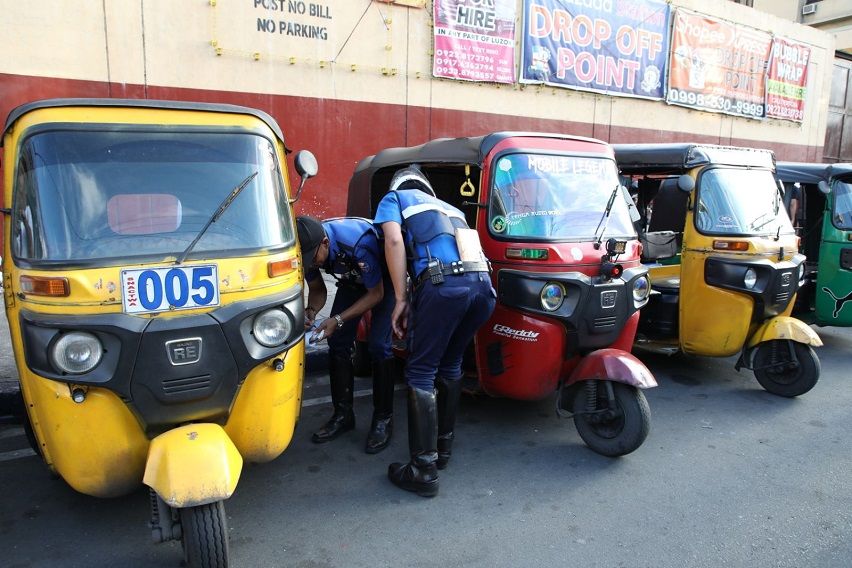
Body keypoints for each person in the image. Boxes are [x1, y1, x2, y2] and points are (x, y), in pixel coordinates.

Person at [375, 165, 496, 497]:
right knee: (451, 364)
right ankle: (442, 450)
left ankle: (423, 470)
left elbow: (394, 240)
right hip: (483, 287)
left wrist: (401, 298)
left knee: (420, 371)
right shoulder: (452, 209)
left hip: (444, 284)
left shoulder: (394, 198)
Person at [296, 215, 397, 454]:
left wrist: (338, 319)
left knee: (379, 346)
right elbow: (319, 289)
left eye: (313, 259)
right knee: (338, 343)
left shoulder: (357, 243)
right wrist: (311, 311)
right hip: (352, 282)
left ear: (325, 243)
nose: (311, 265)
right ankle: (343, 415)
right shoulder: (309, 249)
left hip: (383, 284)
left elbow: (376, 295)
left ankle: (383, 419)